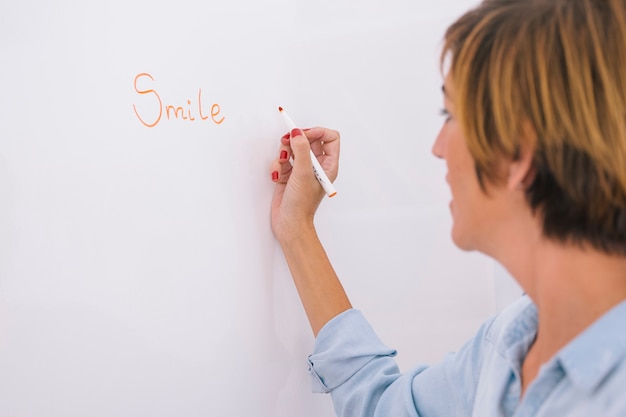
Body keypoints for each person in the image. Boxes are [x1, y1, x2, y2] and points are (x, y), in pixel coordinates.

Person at [268, 0, 626, 415]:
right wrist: (297, 228)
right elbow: (384, 405)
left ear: (519, 155)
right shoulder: (510, 343)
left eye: (451, 115)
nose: (438, 148)